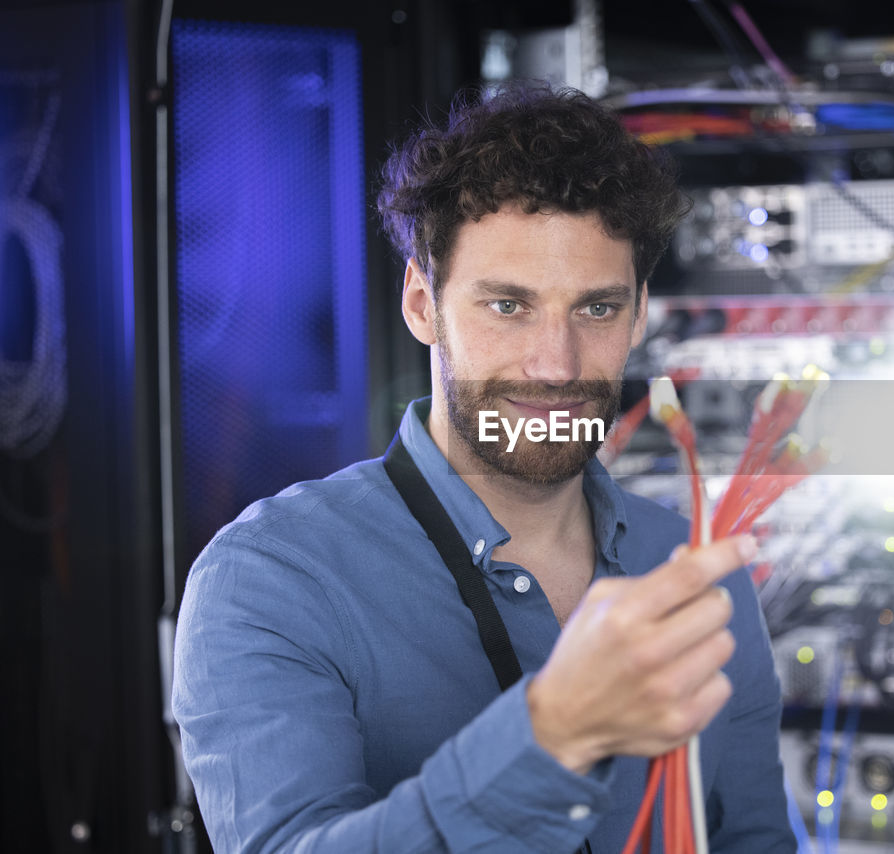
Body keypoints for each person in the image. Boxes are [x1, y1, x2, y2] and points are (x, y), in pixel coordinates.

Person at [172, 82, 793, 853]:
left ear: (637, 313)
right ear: (422, 303)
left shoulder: (694, 569)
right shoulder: (271, 578)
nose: (556, 365)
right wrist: (550, 734)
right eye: (509, 306)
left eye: (595, 309)